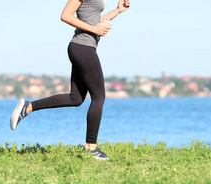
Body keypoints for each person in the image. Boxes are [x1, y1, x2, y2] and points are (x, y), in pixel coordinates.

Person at [10, 0, 131, 160]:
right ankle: (91, 147)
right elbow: (66, 15)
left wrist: (118, 10)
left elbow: (95, 21)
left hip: (82, 48)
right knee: (99, 97)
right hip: (83, 48)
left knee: (76, 98)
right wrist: (94, 29)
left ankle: (28, 107)